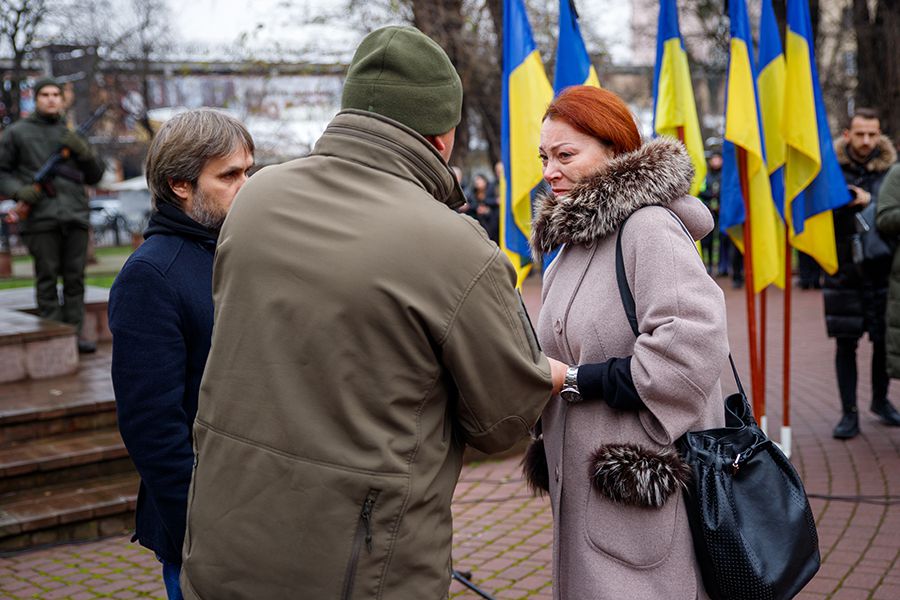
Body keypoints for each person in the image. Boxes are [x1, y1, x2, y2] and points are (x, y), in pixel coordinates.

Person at [180, 26, 567, 600]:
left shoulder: (257, 197)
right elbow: (502, 422)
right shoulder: (455, 246)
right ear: (443, 136)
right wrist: (545, 375)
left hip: (223, 545)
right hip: (358, 568)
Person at [529, 85, 728, 599]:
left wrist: (574, 381)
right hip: (588, 489)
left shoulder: (648, 228)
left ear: (615, 151)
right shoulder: (573, 245)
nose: (551, 170)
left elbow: (689, 348)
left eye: (566, 155)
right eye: (545, 156)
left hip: (640, 487)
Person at [108, 109, 254, 600]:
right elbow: (151, 424)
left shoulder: (237, 251)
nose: (246, 185)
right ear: (180, 184)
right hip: (204, 529)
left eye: (248, 171)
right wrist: (200, 527)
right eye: (230, 175)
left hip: (261, 510)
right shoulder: (151, 274)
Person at [0, 78, 105, 353]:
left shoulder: (74, 134)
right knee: (46, 279)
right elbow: (2, 172)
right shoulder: (17, 133)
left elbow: (96, 175)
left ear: (62, 99)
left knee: (75, 280)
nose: (50, 99)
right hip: (40, 217)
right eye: (44, 94)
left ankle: (76, 334)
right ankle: (54, 338)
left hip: (75, 215)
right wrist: (20, 192)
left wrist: (83, 151)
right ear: (36, 99)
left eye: (56, 94)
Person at [827, 108, 899, 438]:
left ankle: (880, 401)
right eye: (860, 133)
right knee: (846, 342)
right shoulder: (831, 170)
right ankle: (848, 413)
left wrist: (871, 202)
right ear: (847, 135)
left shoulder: (890, 172)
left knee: (883, 340)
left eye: (873, 133)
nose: (867, 140)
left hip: (882, 269)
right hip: (843, 268)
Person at [698, 151, 721, 274]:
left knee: (715, 240)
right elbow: (700, 190)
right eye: (714, 159)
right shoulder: (706, 176)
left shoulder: (722, 175)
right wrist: (711, 195)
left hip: (719, 212)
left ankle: (713, 266)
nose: (716, 162)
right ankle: (705, 264)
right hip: (705, 210)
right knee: (704, 240)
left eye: (718, 159)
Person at [465, 172, 499, 242]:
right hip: (479, 220)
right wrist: (477, 208)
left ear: (485, 181)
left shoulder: (491, 190)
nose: (477, 182)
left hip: (492, 220)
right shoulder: (473, 192)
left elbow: (496, 201)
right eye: (476, 181)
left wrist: (487, 210)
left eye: (479, 180)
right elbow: (470, 204)